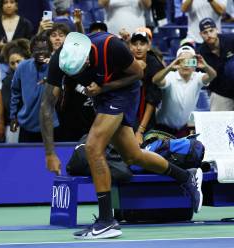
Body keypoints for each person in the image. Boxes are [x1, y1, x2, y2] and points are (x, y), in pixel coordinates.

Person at [40, 32, 203, 239]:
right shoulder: (60, 60)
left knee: (93, 147)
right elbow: (46, 106)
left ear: (87, 58)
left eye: (81, 69)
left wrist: (103, 87)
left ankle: (107, 221)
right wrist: (49, 153)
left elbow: (137, 75)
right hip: (100, 94)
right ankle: (185, 175)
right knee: (132, 156)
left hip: (123, 90)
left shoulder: (111, 47)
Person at [152, 45, 217, 137]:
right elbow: (155, 80)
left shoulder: (197, 77)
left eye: (190, 61)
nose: (186, 65)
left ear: (194, 64)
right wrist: (170, 67)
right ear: (177, 63)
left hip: (182, 129)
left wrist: (205, 66)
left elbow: (212, 75)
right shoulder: (170, 76)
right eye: (182, 61)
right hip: (162, 128)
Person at [9, 34, 58, 142]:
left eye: (44, 49)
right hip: (26, 125)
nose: (40, 52)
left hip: (52, 126)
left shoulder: (57, 66)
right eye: (37, 49)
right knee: (26, 158)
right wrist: (13, 116)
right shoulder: (22, 67)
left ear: (50, 50)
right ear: (31, 51)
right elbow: (15, 93)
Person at [129, 30, 164, 145]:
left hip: (145, 118)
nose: (138, 48)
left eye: (142, 44)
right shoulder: (124, 62)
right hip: (126, 112)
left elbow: (152, 101)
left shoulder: (155, 65)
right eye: (135, 44)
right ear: (129, 46)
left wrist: (140, 130)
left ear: (148, 47)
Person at [198, 17, 234, 111]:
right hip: (220, 92)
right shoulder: (200, 53)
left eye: (211, 30)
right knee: (217, 122)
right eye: (205, 32)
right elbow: (204, 80)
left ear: (217, 30)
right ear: (200, 34)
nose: (209, 35)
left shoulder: (231, 40)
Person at [0, 38, 31, 143]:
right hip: (16, 126)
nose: (16, 66)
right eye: (12, 63)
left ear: (26, 59)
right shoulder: (8, 81)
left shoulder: (36, 76)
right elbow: (9, 105)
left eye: (19, 61)